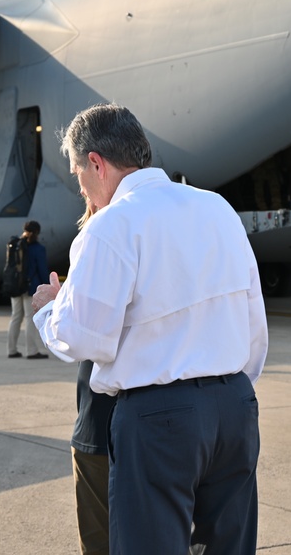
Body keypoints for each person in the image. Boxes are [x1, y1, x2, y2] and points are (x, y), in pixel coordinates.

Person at [32, 103, 268, 555]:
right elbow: (253, 319)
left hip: (160, 417)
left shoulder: (111, 225)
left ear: (96, 163)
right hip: (235, 405)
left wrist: (49, 310)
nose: (79, 184)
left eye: (77, 171)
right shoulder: (216, 208)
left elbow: (83, 337)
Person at [4, 220, 50, 359]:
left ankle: (11, 350)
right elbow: (42, 270)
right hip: (30, 288)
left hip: (15, 286)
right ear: (37, 232)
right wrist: (47, 285)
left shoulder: (15, 245)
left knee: (15, 317)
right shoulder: (38, 248)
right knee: (30, 318)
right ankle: (32, 351)